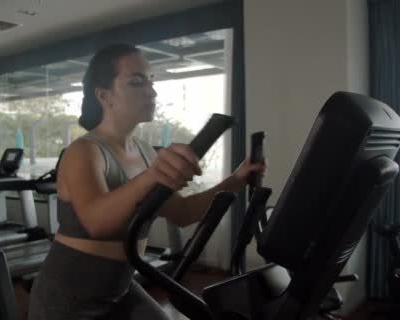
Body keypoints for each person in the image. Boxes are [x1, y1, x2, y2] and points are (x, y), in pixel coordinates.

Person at [28, 44, 266, 320]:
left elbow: (183, 213)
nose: (152, 91)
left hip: (119, 288)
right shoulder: (84, 151)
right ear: (105, 95)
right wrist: (152, 175)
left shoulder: (145, 151)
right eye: (137, 82)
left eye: (151, 81)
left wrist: (236, 180)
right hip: (69, 295)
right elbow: (96, 223)